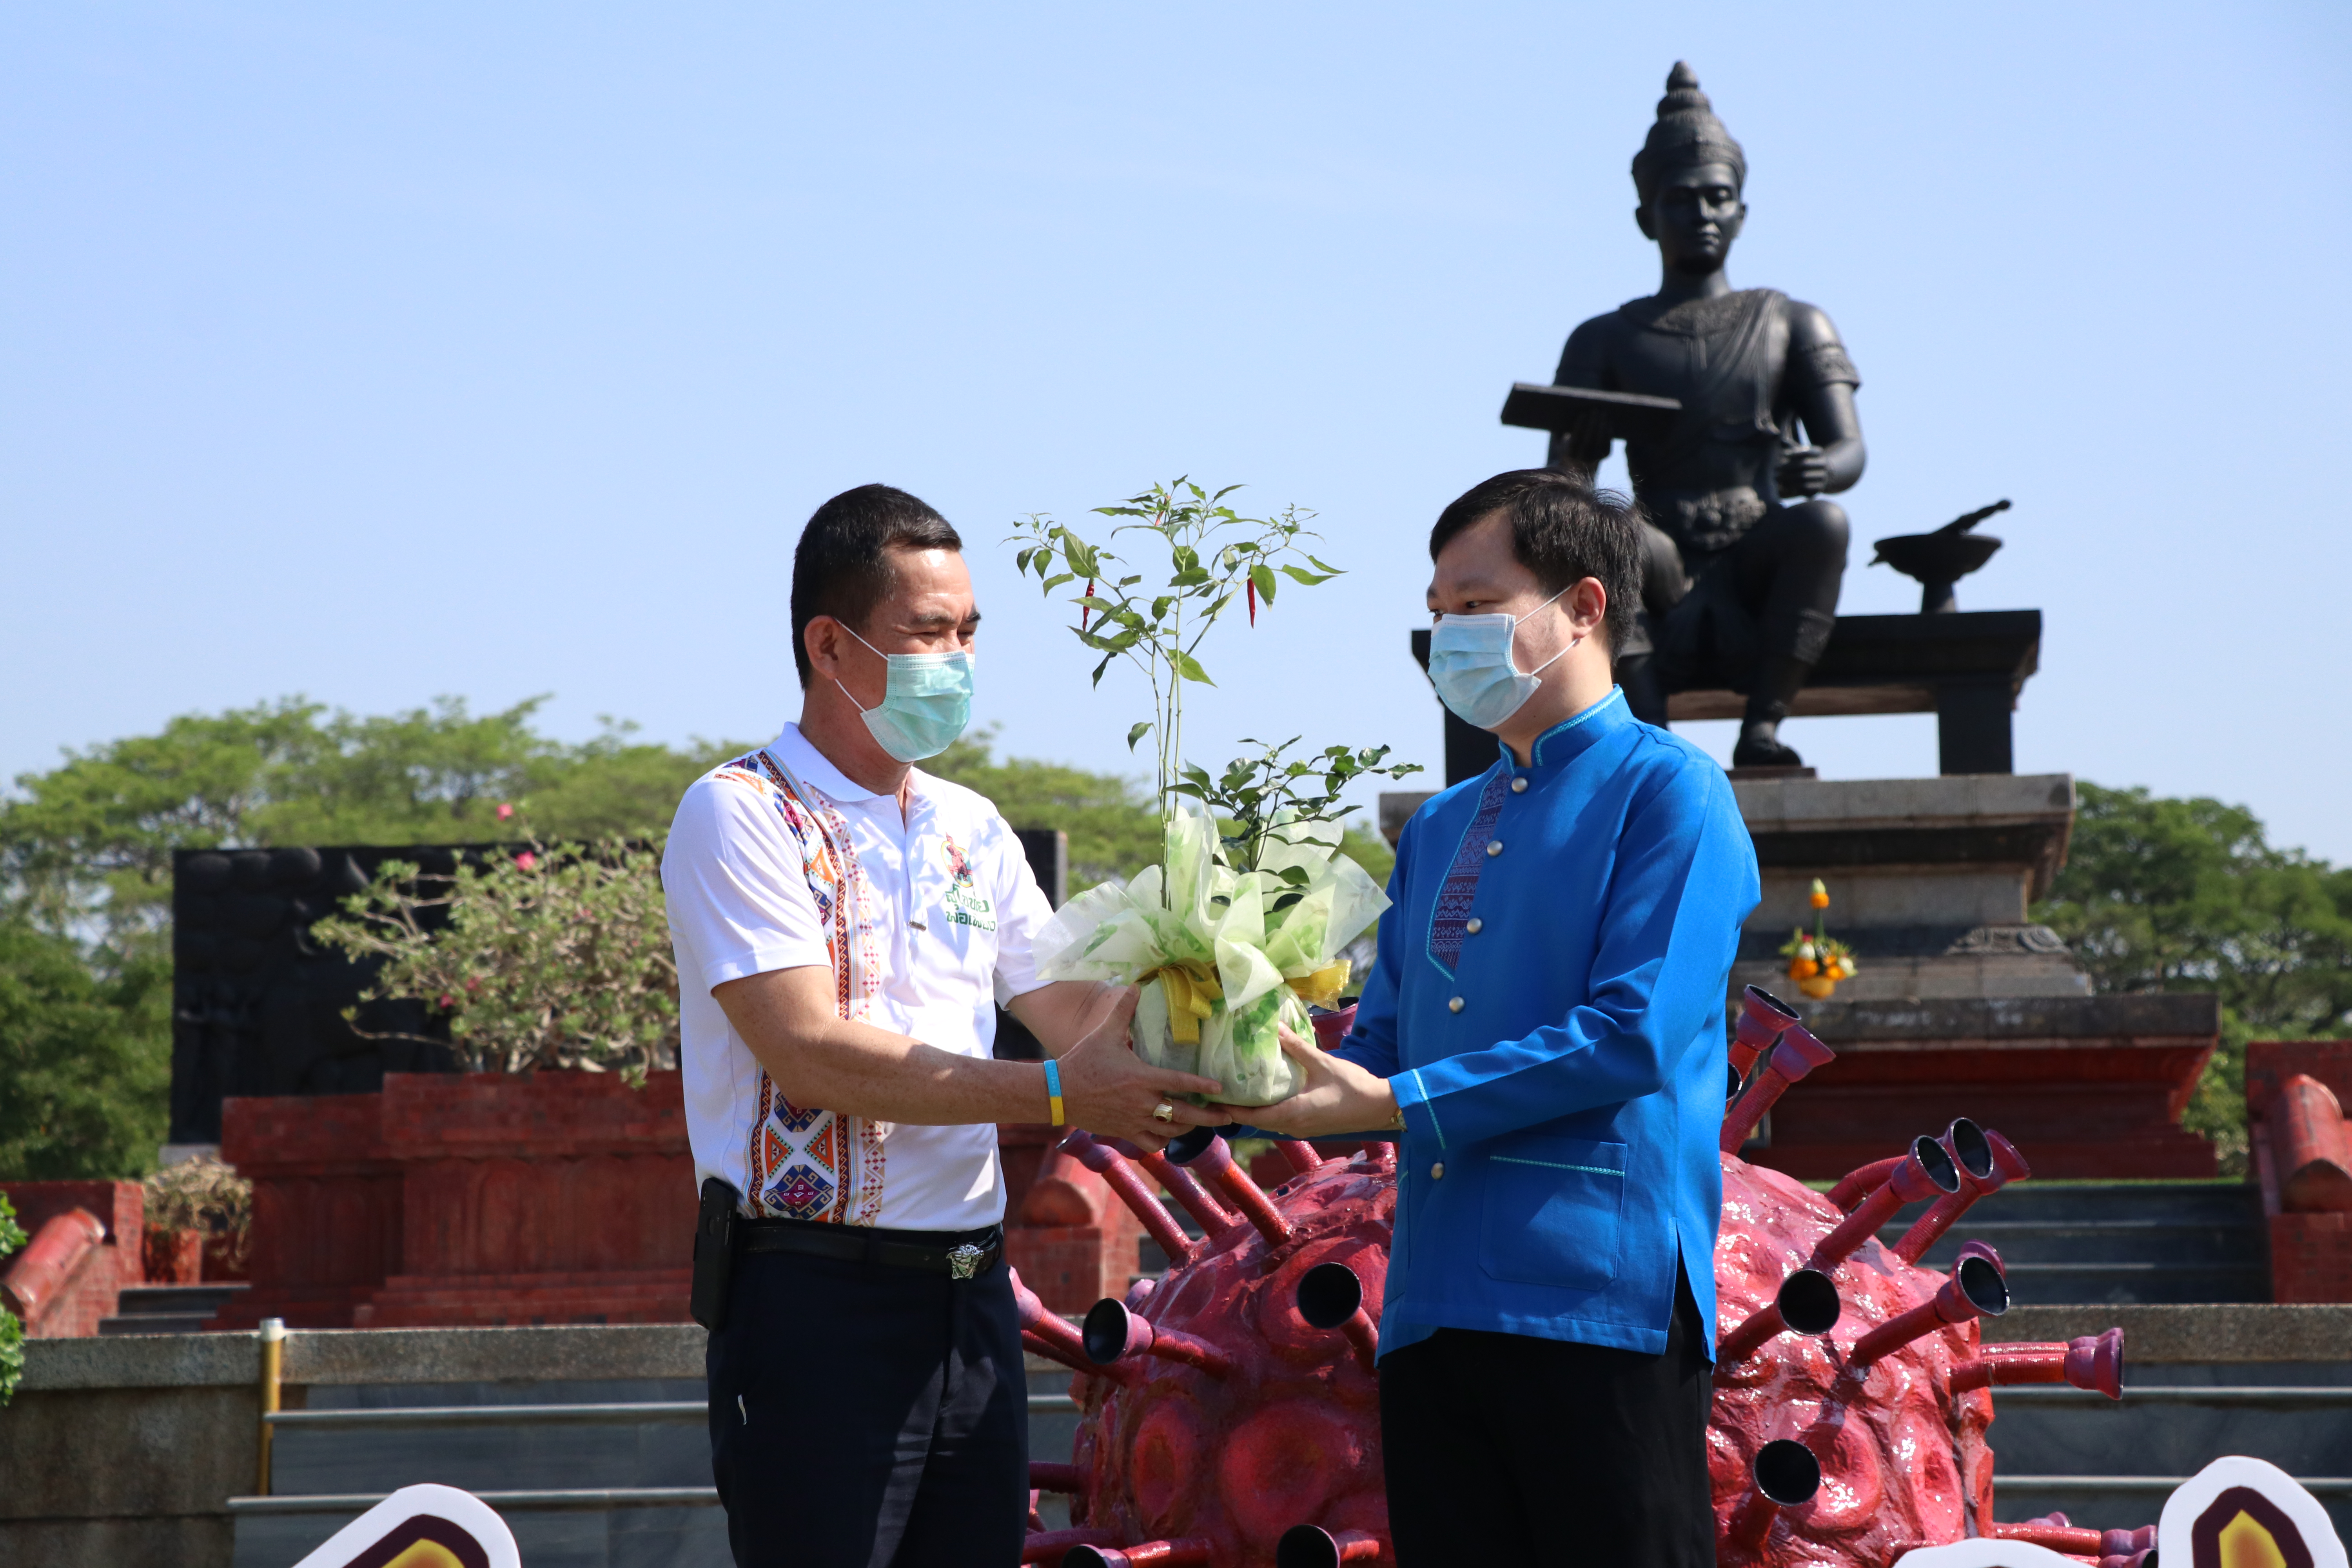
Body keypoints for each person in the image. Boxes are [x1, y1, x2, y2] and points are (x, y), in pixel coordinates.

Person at [661, 482, 1222, 1568]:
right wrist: (1059, 1097)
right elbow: (810, 1053)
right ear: (830, 645)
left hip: (972, 1297)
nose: (956, 659)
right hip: (813, 1299)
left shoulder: (971, 826)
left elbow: (1074, 1013)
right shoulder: (741, 813)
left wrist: (1219, 998)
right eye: (927, 632)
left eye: (968, 632)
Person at [1230, 468, 1761, 1567]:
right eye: (1437, 613)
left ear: (1583, 607)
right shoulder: (1437, 827)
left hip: (1595, 1298)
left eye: (1476, 606)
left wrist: (1390, 1097)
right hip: (1430, 1304)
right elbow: (1378, 1043)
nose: (1448, 636)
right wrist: (1237, 1061)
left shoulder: (1674, 794)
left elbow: (1634, 1034)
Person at [1547, 62, 1866, 768]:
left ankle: (1764, 727)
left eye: (1719, 199)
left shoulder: (1793, 322)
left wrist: (1822, 465)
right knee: (1602, 534)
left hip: (1758, 543)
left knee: (1825, 523)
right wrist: (1577, 459)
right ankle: (1651, 735)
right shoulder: (1603, 337)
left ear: (1743, 213)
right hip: (1655, 550)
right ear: (1646, 216)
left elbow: (1848, 451)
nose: (1703, 215)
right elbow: (1559, 490)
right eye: (1682, 200)